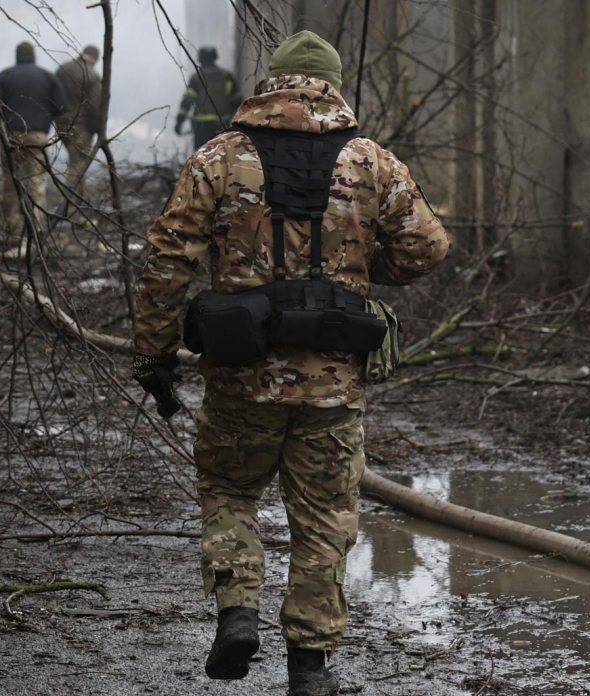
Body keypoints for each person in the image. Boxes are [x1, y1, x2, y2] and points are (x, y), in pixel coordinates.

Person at [132, 31, 449, 696]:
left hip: (240, 377)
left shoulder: (218, 157)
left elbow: (168, 258)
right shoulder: (371, 161)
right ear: (332, 84)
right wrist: (361, 268)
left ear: (272, 82)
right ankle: (309, 667)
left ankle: (237, 612)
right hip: (332, 384)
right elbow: (427, 247)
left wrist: (153, 355)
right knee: (325, 517)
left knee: (229, 490)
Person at [0, 41, 68, 240]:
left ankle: (10, 224)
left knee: (11, 180)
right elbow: (61, 106)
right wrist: (45, 117)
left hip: (11, 135)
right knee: (37, 182)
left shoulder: (4, 76)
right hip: (37, 135)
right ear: (34, 56)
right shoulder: (47, 76)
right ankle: (36, 226)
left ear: (17, 56)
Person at [55, 44, 103, 222]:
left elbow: (52, 95)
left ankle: (80, 210)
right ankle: (65, 207)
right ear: (95, 58)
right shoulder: (92, 75)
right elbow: (94, 105)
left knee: (78, 164)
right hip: (81, 127)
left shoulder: (63, 69)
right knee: (78, 165)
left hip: (61, 123)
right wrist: (95, 129)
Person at [174, 46, 244, 149]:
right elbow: (238, 101)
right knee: (221, 155)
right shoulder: (227, 76)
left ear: (200, 59)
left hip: (201, 127)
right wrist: (230, 118)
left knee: (202, 156)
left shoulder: (196, 78)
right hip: (222, 125)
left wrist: (179, 122)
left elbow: (186, 102)